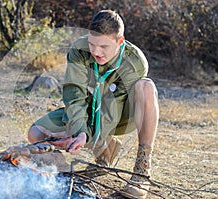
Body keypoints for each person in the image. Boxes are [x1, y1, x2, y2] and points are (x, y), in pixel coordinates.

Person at [27, 10, 159, 199]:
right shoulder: (79, 51)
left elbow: (111, 112)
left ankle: (141, 172)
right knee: (35, 134)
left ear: (120, 42)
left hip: (121, 115)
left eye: (104, 46)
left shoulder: (135, 62)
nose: (96, 52)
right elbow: (75, 96)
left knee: (146, 87)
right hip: (89, 110)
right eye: (92, 44)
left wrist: (85, 137)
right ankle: (67, 174)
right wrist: (77, 130)